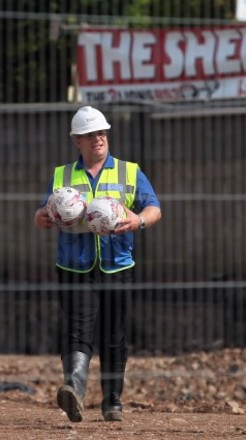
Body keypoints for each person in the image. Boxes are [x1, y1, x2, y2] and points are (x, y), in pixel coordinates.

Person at [34, 106, 162, 423]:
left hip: (117, 265)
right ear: (78, 140)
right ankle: (74, 389)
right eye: (91, 134)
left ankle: (112, 401)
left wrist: (138, 221)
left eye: (102, 132)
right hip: (74, 267)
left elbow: (154, 208)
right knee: (77, 332)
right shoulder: (63, 175)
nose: (98, 138)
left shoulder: (130, 171)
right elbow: (39, 216)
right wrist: (47, 217)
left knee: (114, 335)